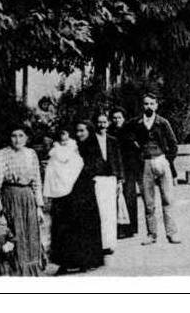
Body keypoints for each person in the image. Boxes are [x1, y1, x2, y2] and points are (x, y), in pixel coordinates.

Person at [0, 126, 45, 276]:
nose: (17, 139)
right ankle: (16, 272)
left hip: (28, 198)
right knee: (14, 234)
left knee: (30, 234)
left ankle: (31, 271)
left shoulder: (31, 154)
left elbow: (37, 181)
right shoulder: (0, 155)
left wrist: (39, 207)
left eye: (21, 135)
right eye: (14, 136)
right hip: (10, 198)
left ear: (27, 138)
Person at [47, 125, 104, 274]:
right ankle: (65, 261)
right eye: (76, 131)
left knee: (83, 225)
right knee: (64, 225)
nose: (79, 134)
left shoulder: (89, 147)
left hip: (83, 191)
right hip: (64, 192)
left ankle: (86, 260)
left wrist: (78, 175)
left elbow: (95, 166)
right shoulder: (62, 148)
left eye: (82, 131)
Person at [127, 93, 180, 245]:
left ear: (156, 105)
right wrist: (136, 148)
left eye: (151, 104)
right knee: (149, 202)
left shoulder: (162, 123)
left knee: (168, 199)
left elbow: (173, 145)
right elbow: (125, 135)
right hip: (145, 164)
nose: (148, 106)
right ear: (142, 106)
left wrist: (167, 160)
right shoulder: (136, 123)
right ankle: (152, 234)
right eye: (146, 104)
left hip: (161, 161)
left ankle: (172, 233)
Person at [78, 112, 124, 254]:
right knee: (100, 212)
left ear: (108, 123)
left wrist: (120, 180)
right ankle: (100, 243)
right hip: (97, 179)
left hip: (110, 179)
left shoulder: (113, 140)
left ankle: (109, 243)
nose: (102, 125)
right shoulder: (90, 141)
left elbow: (118, 160)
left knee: (110, 212)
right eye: (99, 122)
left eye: (104, 122)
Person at [110, 108, 141, 239]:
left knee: (129, 197)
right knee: (115, 198)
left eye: (119, 117)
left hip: (129, 167)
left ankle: (130, 228)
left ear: (124, 118)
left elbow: (136, 149)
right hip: (115, 167)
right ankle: (118, 228)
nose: (117, 120)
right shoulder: (109, 132)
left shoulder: (129, 131)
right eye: (115, 118)